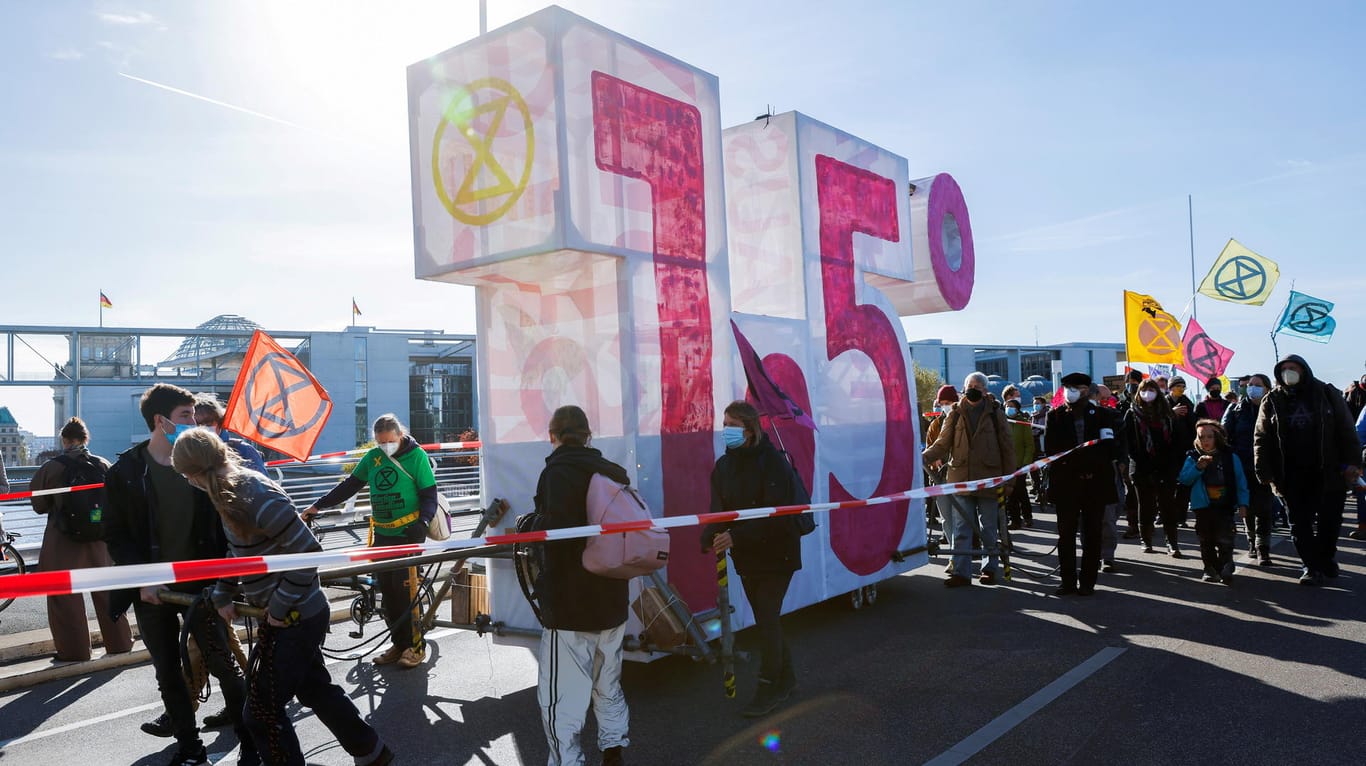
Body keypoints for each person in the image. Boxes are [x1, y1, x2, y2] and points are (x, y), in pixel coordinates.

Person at [172, 429, 393, 766]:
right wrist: (224, 591)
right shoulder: (228, 492)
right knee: (314, 688)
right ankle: (372, 753)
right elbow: (241, 550)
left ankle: (368, 752)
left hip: (296, 617)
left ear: (195, 473)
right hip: (290, 614)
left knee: (260, 712)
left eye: (186, 477)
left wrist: (278, 606)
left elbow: (307, 552)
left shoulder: (253, 493)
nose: (188, 484)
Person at [103, 383, 254, 766]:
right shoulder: (126, 471)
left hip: (204, 584)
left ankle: (253, 745)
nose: (194, 422)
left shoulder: (204, 463)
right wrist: (142, 580)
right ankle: (191, 750)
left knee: (223, 664)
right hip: (152, 589)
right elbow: (116, 534)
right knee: (168, 671)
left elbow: (227, 525)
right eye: (186, 416)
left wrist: (225, 584)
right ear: (161, 420)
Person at [530, 405, 630, 766]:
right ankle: (614, 749)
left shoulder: (557, 472)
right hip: (613, 596)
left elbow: (557, 537)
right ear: (589, 435)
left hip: (571, 605)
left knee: (562, 698)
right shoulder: (610, 471)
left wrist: (532, 526)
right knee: (608, 683)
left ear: (552, 435)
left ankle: (567, 761)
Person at [303, 414, 435, 669]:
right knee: (386, 593)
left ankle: (416, 646)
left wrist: (424, 522)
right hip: (383, 535)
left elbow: (429, 493)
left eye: (390, 441)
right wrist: (318, 506)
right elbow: (350, 486)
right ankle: (398, 644)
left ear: (400, 436)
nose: (386, 446)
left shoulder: (415, 456)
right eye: (381, 442)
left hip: (408, 535)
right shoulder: (373, 458)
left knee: (404, 591)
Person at [704, 400, 803, 718]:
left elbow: (775, 516)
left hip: (777, 552)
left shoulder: (772, 462)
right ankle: (786, 678)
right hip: (746, 556)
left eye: (731, 424)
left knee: (767, 618)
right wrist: (709, 536)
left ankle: (769, 686)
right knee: (766, 618)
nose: (725, 430)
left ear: (749, 429)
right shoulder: (724, 466)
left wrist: (735, 536)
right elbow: (719, 509)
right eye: (724, 423)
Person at [29, 417, 134, 662]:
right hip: (100, 543)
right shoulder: (103, 464)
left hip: (63, 543)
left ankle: (74, 652)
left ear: (64, 439)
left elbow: (38, 505)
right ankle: (119, 644)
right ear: (86, 439)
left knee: (64, 599)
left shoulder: (52, 467)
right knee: (107, 594)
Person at [1255, 355, 1362, 586]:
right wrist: (1263, 470)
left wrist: (1353, 462)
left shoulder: (1326, 393)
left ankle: (1325, 559)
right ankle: (1311, 567)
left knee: (1330, 522)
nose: (1288, 373)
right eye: (1283, 369)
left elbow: (1346, 428)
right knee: (1299, 523)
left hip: (1328, 471)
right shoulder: (1272, 400)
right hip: (1291, 474)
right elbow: (1261, 438)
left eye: (1292, 368)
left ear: (1303, 370)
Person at [922, 371, 1016, 587]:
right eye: (969, 385)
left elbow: (1007, 447)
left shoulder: (995, 412)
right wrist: (922, 458)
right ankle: (961, 572)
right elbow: (942, 443)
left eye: (977, 386)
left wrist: (1010, 479)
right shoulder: (954, 413)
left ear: (985, 390)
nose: (973, 389)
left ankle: (989, 568)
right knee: (961, 527)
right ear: (963, 388)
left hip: (989, 478)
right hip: (960, 477)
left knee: (988, 527)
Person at [1044, 372, 1123, 596]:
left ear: (1086, 390)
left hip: (1094, 484)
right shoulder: (1055, 416)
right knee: (1066, 534)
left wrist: (1087, 464)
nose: (1070, 391)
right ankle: (1067, 582)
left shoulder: (1102, 415)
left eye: (1074, 387)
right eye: (1067, 387)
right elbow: (1052, 450)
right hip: (1067, 485)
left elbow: (1108, 448)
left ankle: (1087, 582)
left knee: (1092, 534)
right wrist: (1073, 464)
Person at [1179, 420, 1249, 584]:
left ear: (1217, 437)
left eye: (1209, 436)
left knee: (1225, 538)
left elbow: (1241, 482)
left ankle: (1226, 564)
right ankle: (1210, 568)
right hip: (1203, 507)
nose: (1206, 441)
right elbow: (1184, 479)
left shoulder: (1230, 457)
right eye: (1202, 437)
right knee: (1206, 540)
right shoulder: (1193, 457)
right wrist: (1198, 467)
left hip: (1224, 506)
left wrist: (1243, 504)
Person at [1124, 378, 1184, 557]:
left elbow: (1177, 442)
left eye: (1151, 389)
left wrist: (1172, 466)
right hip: (1142, 468)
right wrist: (1143, 463)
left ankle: (1172, 543)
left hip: (1165, 468)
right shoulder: (1132, 414)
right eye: (1144, 390)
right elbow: (1130, 444)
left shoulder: (1167, 415)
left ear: (1158, 392)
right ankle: (1146, 540)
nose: (1147, 393)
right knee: (1146, 505)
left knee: (1167, 506)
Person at [1222, 374, 1276, 565]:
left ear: (1267, 388)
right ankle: (1252, 541)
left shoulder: (1274, 407)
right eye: (1250, 385)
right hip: (1242, 466)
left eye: (1257, 385)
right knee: (1247, 507)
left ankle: (1263, 548)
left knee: (1265, 508)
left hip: (1266, 466)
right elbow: (1224, 434)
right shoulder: (1236, 409)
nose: (1252, 388)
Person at [193, 393, 267, 473]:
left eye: (208, 422)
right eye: (197, 424)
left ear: (220, 422)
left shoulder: (243, 450)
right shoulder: (186, 453)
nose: (202, 427)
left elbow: (262, 483)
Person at [923, 385, 959, 532]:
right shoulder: (935, 424)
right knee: (946, 517)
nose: (944, 406)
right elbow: (929, 447)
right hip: (939, 475)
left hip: (958, 475)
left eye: (947, 403)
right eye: (942, 403)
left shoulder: (962, 420)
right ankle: (953, 549)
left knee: (961, 517)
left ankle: (964, 550)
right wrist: (933, 460)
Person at [1166, 376, 1198, 530]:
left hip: (1185, 451)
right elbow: (1160, 421)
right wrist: (1172, 413)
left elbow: (1194, 425)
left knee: (1184, 485)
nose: (1180, 388)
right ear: (1170, 387)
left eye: (1183, 386)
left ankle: (1181, 516)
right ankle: (1166, 515)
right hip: (1169, 451)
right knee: (1169, 485)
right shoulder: (1164, 403)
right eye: (1177, 385)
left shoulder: (1188, 403)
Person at [1002, 397, 1035, 529]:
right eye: (1006, 406)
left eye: (1011, 406)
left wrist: (1025, 463)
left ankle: (1027, 516)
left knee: (1020, 492)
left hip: (1019, 464)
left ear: (1017, 409)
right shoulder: (1002, 422)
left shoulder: (1023, 423)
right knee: (1009, 494)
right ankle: (1014, 520)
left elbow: (1029, 445)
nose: (1008, 408)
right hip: (1006, 465)